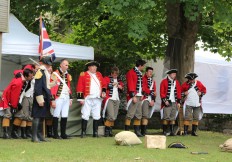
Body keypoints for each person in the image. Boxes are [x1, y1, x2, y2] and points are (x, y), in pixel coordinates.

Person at [1, 68, 34, 139]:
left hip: (14, 100)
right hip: (7, 99)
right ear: (26, 76)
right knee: (8, 114)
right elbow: (14, 95)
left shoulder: (23, 77)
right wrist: (14, 105)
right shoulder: (18, 83)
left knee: (21, 115)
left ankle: (14, 132)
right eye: (31, 76)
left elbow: (16, 71)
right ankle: (5, 133)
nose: (32, 77)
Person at [76, 61, 106, 138]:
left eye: (95, 67)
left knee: (96, 115)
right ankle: (83, 132)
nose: (94, 68)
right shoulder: (83, 74)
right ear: (89, 67)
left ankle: (95, 133)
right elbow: (80, 86)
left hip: (97, 98)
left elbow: (104, 84)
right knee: (85, 114)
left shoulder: (99, 74)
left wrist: (103, 92)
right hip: (87, 98)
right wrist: (81, 99)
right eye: (93, 66)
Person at [31, 57, 54, 142]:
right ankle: (34, 137)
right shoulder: (40, 72)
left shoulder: (45, 72)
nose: (49, 66)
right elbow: (38, 87)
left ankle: (40, 136)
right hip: (40, 97)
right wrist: (40, 99)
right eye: (48, 64)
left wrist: (54, 83)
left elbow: (46, 86)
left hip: (45, 97)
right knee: (37, 117)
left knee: (41, 117)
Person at [12, 64, 37, 139]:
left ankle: (27, 132)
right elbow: (21, 92)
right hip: (24, 97)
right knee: (22, 115)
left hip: (31, 97)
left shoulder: (33, 78)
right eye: (33, 69)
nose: (34, 70)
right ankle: (15, 132)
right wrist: (19, 102)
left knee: (29, 115)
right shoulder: (22, 79)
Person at [50, 59, 73, 139]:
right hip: (58, 97)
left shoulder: (67, 75)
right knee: (56, 115)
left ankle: (63, 134)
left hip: (66, 97)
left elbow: (69, 87)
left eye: (67, 65)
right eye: (66, 65)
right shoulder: (54, 74)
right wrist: (52, 99)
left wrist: (70, 98)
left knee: (65, 115)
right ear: (61, 65)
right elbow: (51, 87)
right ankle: (55, 134)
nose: (67, 66)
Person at [124, 59, 146, 137]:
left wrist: (142, 93)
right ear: (140, 65)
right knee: (130, 114)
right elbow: (130, 84)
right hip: (134, 96)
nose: (144, 67)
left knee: (138, 114)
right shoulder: (131, 72)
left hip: (139, 96)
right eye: (143, 66)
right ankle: (126, 131)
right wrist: (133, 96)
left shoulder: (140, 73)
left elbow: (141, 85)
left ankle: (137, 131)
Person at [102, 67, 124, 137]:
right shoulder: (106, 78)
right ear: (111, 73)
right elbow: (104, 86)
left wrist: (120, 87)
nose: (115, 76)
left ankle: (110, 130)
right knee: (111, 115)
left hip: (116, 99)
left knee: (114, 116)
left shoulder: (119, 80)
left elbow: (122, 89)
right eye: (114, 74)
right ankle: (106, 130)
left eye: (116, 74)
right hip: (109, 98)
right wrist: (112, 84)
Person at [160, 69, 181, 136]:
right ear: (169, 74)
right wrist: (165, 100)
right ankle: (164, 131)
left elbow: (179, 93)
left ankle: (172, 132)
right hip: (167, 102)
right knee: (166, 117)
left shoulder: (176, 82)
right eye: (173, 74)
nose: (175, 75)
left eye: (175, 74)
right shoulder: (164, 82)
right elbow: (162, 92)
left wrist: (178, 102)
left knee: (173, 117)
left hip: (174, 102)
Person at [141, 67, 156, 136]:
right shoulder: (143, 79)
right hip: (145, 99)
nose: (150, 73)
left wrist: (153, 100)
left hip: (150, 99)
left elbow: (154, 92)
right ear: (146, 72)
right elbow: (144, 89)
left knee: (147, 116)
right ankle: (143, 131)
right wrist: (152, 92)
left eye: (151, 72)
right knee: (145, 115)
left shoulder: (153, 81)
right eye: (149, 71)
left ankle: (144, 130)